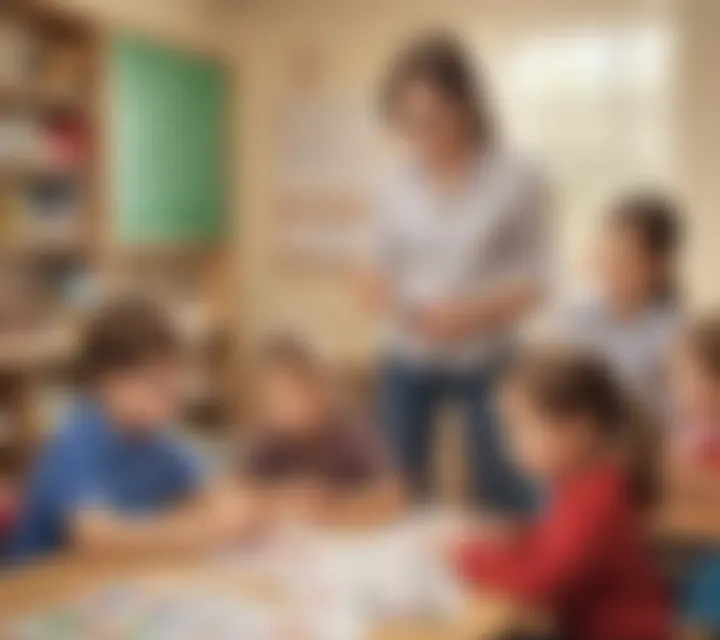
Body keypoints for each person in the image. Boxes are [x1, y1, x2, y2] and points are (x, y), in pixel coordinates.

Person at [361, 32, 551, 510]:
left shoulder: (519, 176)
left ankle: (511, 576)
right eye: (409, 123)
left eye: (434, 119)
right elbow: (373, 266)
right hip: (408, 354)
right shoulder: (393, 182)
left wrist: (475, 315)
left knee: (504, 488)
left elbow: (538, 279)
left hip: (489, 357)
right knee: (397, 487)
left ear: (467, 105)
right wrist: (380, 291)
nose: (422, 135)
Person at [449, 346, 670, 640]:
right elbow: (561, 546)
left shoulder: (599, 497)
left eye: (519, 427)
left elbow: (541, 582)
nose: (509, 444)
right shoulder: (579, 483)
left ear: (580, 430)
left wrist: (462, 557)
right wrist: (519, 536)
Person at [12, 297, 248, 560]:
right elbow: (96, 539)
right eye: (158, 384)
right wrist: (197, 529)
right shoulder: (78, 440)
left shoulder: (157, 439)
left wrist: (229, 511)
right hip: (39, 588)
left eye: (176, 382)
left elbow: (213, 496)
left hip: (110, 584)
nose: (173, 396)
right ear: (110, 381)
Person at [232, 337, 406, 527]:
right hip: (286, 545)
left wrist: (333, 506)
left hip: (345, 540)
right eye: (273, 396)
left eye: (293, 390)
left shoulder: (346, 432)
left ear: (318, 389)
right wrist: (282, 497)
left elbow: (393, 495)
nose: (285, 405)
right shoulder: (269, 440)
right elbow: (235, 493)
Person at [559, 192, 682, 403]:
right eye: (606, 252)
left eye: (624, 257)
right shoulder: (575, 320)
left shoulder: (674, 332)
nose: (610, 266)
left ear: (658, 266)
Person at [664, 316, 720, 640]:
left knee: (707, 586)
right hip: (689, 545)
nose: (675, 389)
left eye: (684, 377)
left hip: (711, 555)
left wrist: (691, 477)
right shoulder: (691, 428)